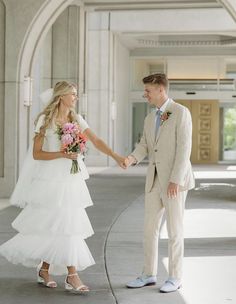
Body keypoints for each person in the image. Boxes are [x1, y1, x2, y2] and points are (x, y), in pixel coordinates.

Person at [0, 81, 126, 293]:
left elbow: (95, 140)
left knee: (66, 223)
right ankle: (70, 275)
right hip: (50, 180)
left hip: (71, 179)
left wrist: (115, 156)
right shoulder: (44, 119)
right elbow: (36, 154)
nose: (75, 97)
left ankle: (49, 270)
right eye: (73, 94)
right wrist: (62, 154)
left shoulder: (76, 119)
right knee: (57, 223)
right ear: (61, 96)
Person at [125, 73, 195, 293]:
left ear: (160, 90)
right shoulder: (149, 118)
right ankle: (148, 274)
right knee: (149, 229)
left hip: (174, 181)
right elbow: (144, 145)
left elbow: (185, 148)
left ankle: (175, 277)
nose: (145, 94)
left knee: (175, 231)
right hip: (153, 181)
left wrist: (175, 179)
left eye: (148, 90)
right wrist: (131, 158)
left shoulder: (181, 112)